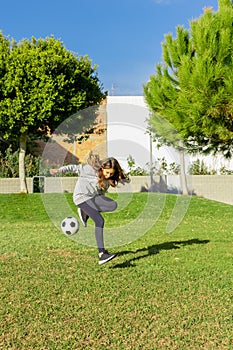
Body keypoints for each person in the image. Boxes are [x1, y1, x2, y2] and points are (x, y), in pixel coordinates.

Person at [50, 152, 129, 265]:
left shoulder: (107, 180)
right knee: (99, 221)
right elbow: (74, 168)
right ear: (102, 168)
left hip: (93, 198)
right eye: (107, 173)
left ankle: (85, 212)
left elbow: (101, 194)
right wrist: (59, 170)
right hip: (81, 197)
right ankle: (102, 254)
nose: (108, 176)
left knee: (113, 205)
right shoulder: (89, 170)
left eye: (111, 174)